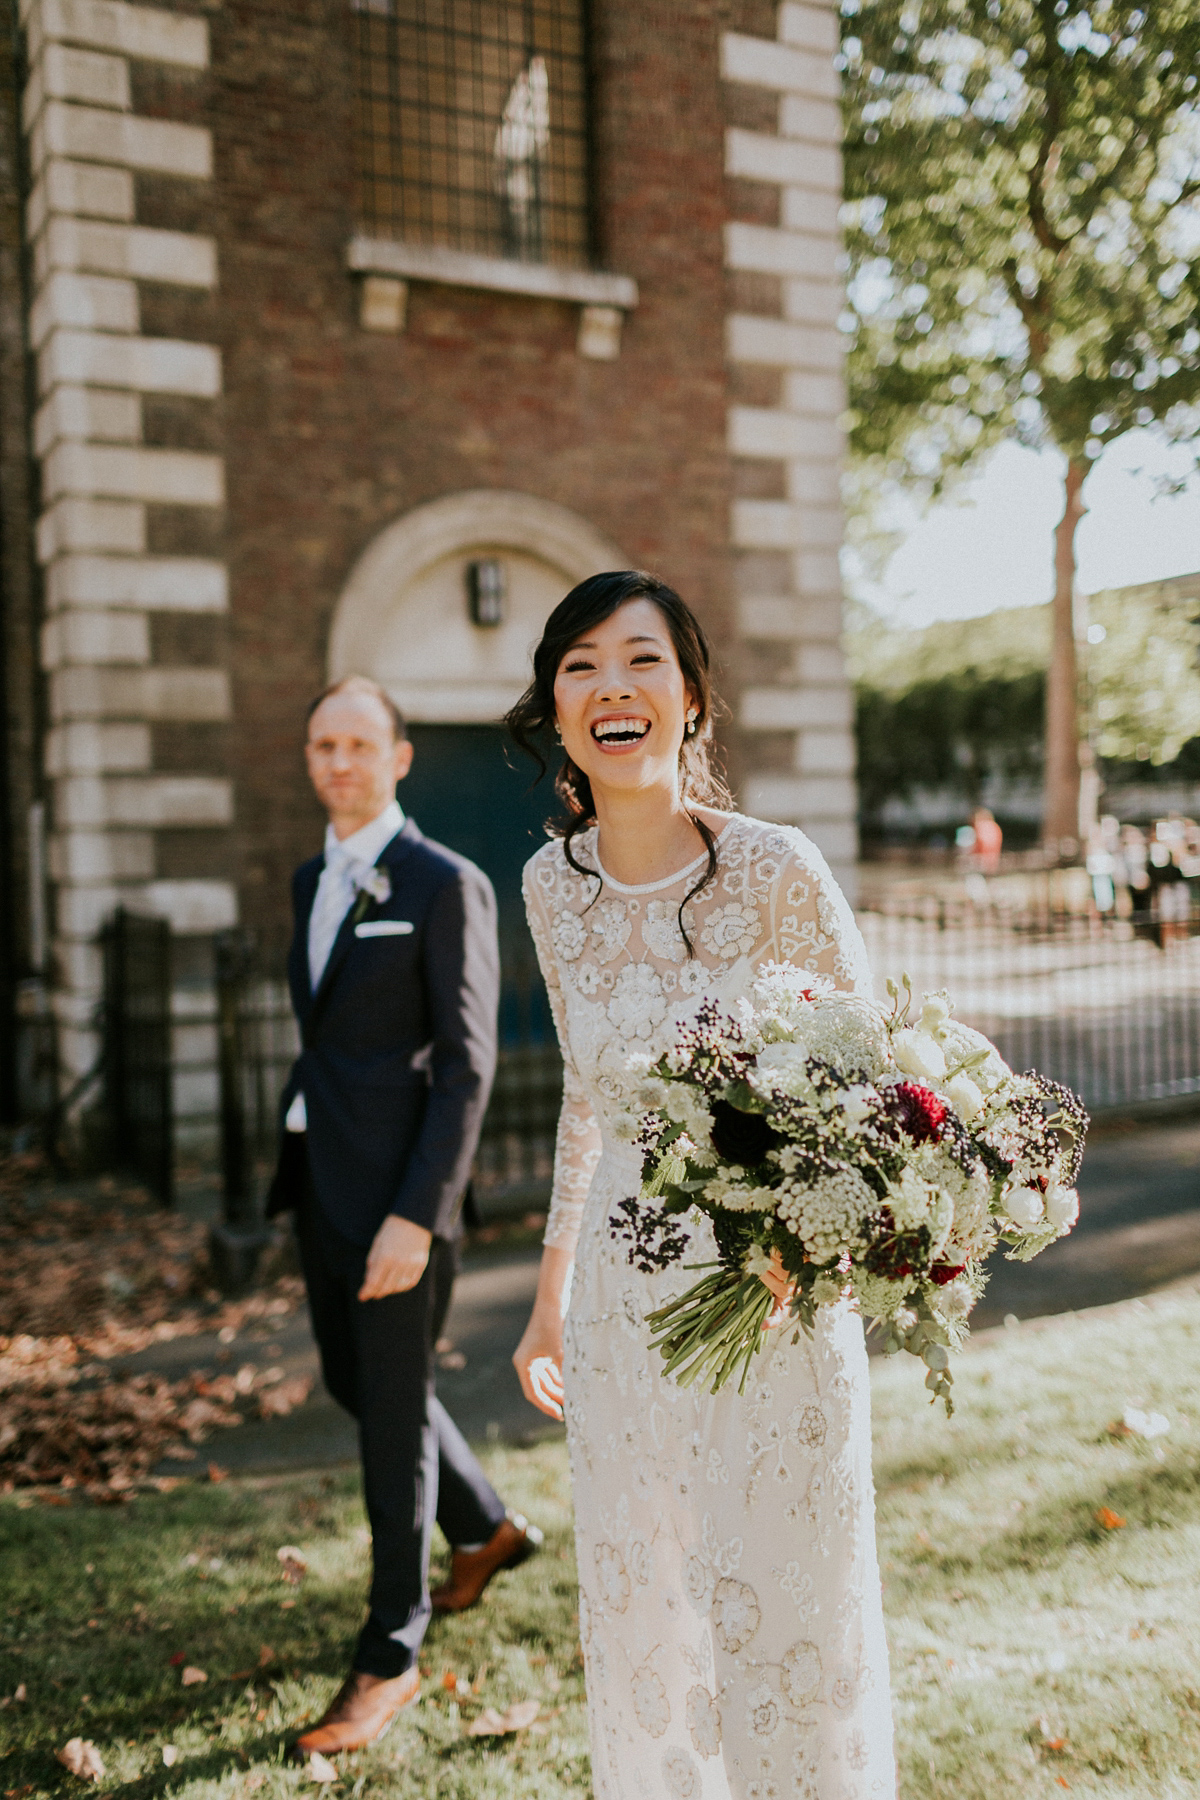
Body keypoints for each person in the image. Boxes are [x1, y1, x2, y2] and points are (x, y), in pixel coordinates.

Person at [505, 575, 896, 1798]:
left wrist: (804, 1244)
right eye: (580, 665)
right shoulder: (546, 888)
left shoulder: (778, 870)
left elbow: (877, 1079)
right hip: (622, 1321)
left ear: (691, 700)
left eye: (640, 662)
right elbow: (587, 1099)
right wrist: (549, 1297)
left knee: (790, 1607)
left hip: (772, 1303)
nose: (611, 687)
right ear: (556, 711)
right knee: (654, 1611)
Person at [267, 675, 541, 1756]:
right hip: (316, 1182)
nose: (338, 761)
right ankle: (483, 1525)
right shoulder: (308, 879)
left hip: (400, 1204)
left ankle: (391, 1646)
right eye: (322, 744)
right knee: (357, 1381)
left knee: (392, 1414)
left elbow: (470, 1067)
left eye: (358, 743)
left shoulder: (444, 882)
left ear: (400, 756)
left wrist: (418, 1216)